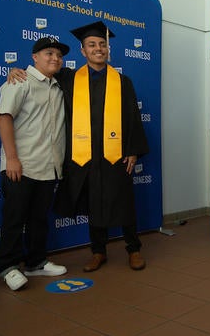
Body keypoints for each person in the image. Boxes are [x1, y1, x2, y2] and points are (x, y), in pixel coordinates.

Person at [9, 21, 149, 272]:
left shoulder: (123, 82)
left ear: (108, 50)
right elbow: (41, 71)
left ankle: (133, 248)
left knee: (124, 201)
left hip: (115, 153)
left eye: (102, 45)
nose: (98, 49)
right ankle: (98, 251)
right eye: (92, 45)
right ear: (83, 51)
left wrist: (132, 150)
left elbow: (132, 117)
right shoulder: (70, 78)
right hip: (84, 156)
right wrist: (16, 70)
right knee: (94, 202)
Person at [0, 37, 70, 291]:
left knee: (39, 219)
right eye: (49, 53)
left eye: (59, 55)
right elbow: (4, 117)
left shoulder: (60, 85)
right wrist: (12, 159)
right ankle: (8, 267)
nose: (55, 58)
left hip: (48, 167)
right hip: (21, 166)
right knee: (14, 219)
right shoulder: (19, 81)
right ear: (34, 57)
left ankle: (36, 263)